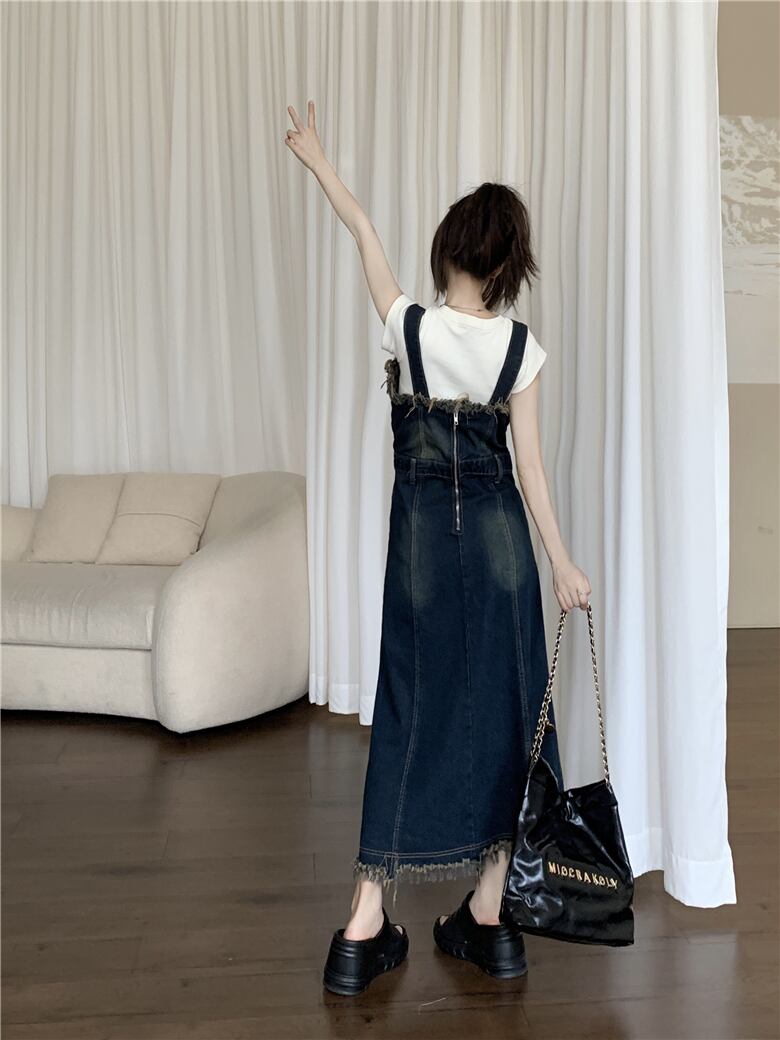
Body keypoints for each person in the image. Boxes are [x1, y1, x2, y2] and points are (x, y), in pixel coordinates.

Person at [285, 101, 591, 996]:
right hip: (502, 554)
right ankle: (489, 916)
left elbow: (364, 233)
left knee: (409, 712)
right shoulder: (522, 351)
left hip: (421, 556)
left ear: (451, 249)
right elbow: (530, 469)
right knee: (513, 718)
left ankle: (363, 924)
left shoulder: (409, 328)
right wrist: (562, 563)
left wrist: (320, 162)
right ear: (508, 267)